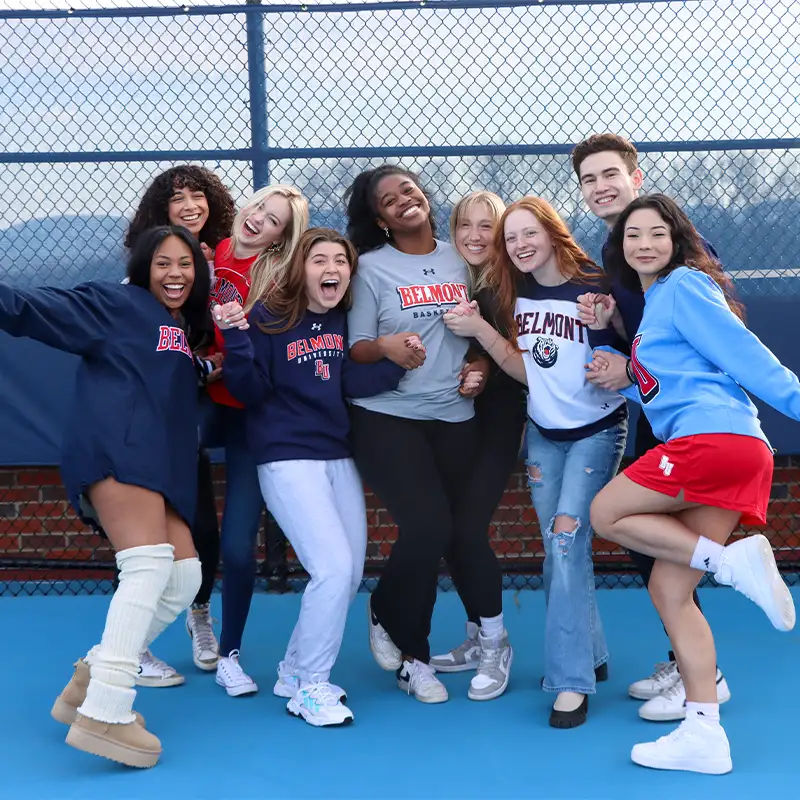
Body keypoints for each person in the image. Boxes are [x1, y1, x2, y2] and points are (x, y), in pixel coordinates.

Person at [584, 194, 797, 774]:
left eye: (656, 233)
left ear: (677, 242)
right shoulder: (655, 309)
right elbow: (672, 387)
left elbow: (745, 356)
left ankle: (730, 564)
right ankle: (704, 731)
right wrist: (626, 380)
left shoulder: (682, 287)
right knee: (671, 592)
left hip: (713, 443)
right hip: (727, 448)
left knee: (606, 513)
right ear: (621, 248)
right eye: (633, 236)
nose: (644, 244)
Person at [215, 227, 421, 725]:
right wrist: (238, 339)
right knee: (330, 568)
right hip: (286, 457)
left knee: (347, 574)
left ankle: (292, 669)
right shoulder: (267, 317)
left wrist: (399, 364)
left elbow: (349, 381)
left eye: (340, 261)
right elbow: (248, 390)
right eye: (318, 259)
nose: (331, 268)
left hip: (335, 454)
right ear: (300, 269)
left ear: (349, 272)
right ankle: (310, 687)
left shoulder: (344, 321)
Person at [443, 197, 627, 727]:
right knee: (557, 549)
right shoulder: (514, 289)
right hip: (546, 438)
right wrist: (480, 331)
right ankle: (590, 652)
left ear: (552, 232)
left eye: (529, 234)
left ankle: (570, 682)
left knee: (567, 543)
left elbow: (621, 354)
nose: (520, 245)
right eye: (511, 238)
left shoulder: (593, 283)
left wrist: (609, 328)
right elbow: (527, 369)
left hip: (596, 433)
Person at [31, 225, 211, 767]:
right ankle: (106, 713)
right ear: (141, 267)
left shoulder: (181, 326)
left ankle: (89, 679)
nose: (176, 273)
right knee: (149, 568)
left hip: (158, 464)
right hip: (117, 449)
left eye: (185, 263)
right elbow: (31, 309)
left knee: (184, 577)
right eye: (163, 263)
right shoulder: (116, 302)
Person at [571, 133, 731, 720]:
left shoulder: (679, 251)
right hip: (659, 418)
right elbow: (642, 340)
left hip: (695, 422)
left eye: (610, 173)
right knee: (648, 546)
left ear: (636, 178)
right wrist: (611, 324)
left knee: (657, 547)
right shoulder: (616, 254)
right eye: (589, 179)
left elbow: (694, 351)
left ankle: (703, 673)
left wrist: (628, 369)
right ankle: (691, 664)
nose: (600, 186)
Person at [344, 164, 489, 704]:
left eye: (407, 188)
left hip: (454, 416)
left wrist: (482, 367)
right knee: (427, 525)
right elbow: (356, 346)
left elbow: (486, 329)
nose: (402, 200)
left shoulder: (463, 255)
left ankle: (388, 614)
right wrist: (387, 346)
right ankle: (415, 656)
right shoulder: (370, 269)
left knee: (437, 537)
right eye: (387, 200)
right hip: (387, 414)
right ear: (379, 219)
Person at [123, 165, 236, 682]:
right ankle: (133, 646)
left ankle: (199, 615)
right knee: (148, 538)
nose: (190, 205)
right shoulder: (142, 276)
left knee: (203, 526)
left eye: (198, 195)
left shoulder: (228, 260)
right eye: (178, 198)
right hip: (152, 420)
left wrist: (213, 363)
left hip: (208, 408)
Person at [207, 184, 310, 697]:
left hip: (246, 413)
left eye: (272, 221)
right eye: (258, 208)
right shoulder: (210, 252)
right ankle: (165, 627)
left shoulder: (274, 283)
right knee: (174, 525)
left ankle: (230, 654)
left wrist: (228, 357)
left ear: (278, 239)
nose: (258, 220)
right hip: (199, 407)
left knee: (239, 547)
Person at [429, 191, 523, 702]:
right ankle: (473, 633)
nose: (474, 236)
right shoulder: (450, 276)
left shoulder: (512, 284)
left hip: (499, 420)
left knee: (467, 529)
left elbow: (516, 359)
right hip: (452, 419)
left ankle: (496, 642)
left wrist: (483, 366)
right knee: (448, 531)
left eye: (487, 226)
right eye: (465, 225)